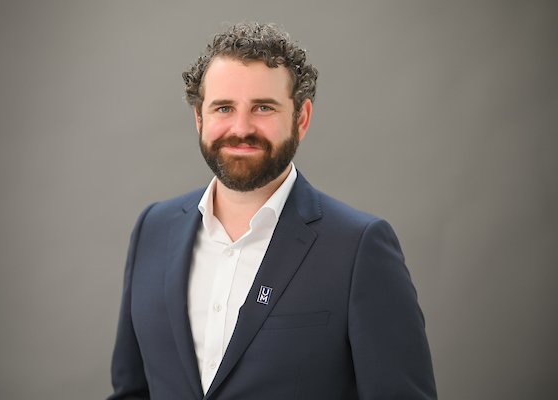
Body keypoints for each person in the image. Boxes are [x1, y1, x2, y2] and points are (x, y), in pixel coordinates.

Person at [107, 22, 437, 400]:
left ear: (301, 118)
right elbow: (131, 391)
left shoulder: (359, 247)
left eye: (263, 107)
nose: (241, 128)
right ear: (200, 118)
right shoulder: (152, 229)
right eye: (224, 108)